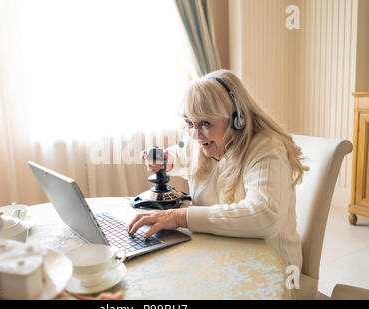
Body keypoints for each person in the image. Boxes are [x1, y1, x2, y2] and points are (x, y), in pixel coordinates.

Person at [127, 69, 308, 269]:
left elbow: (263, 216)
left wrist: (180, 217)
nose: (195, 134)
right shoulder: (200, 139)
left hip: (273, 269)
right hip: (223, 257)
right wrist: (164, 160)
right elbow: (179, 154)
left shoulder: (266, 148)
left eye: (205, 123)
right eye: (188, 122)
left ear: (236, 118)